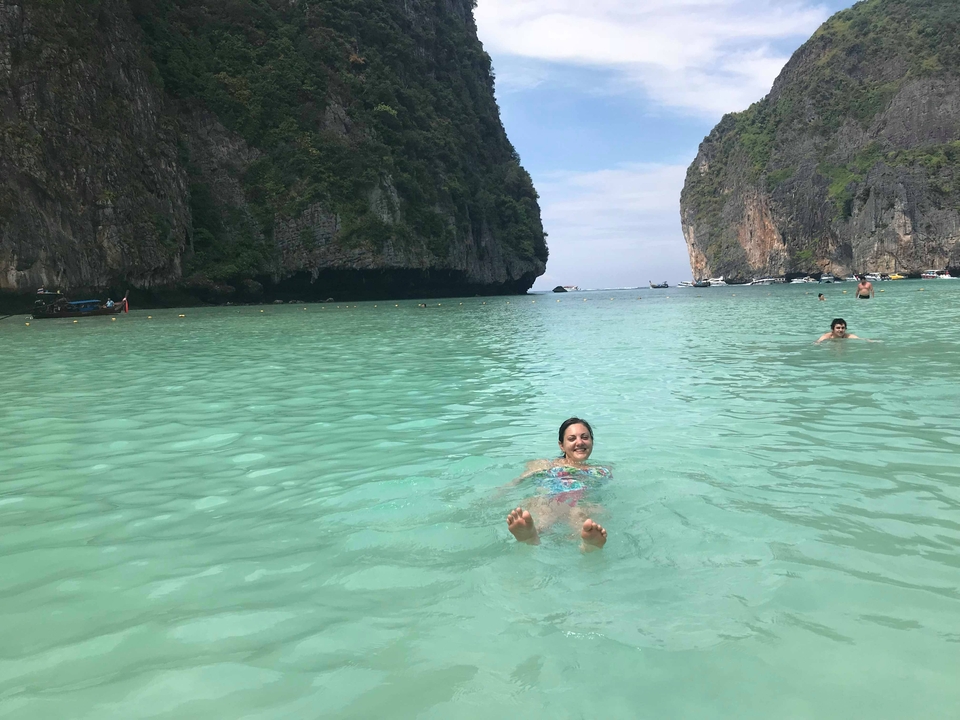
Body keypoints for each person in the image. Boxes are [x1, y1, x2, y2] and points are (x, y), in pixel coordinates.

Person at [504, 418, 609, 551]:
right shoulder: (544, 464)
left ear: (592, 441)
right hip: (550, 501)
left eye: (585, 437)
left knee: (583, 512)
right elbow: (516, 482)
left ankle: (587, 542)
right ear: (561, 445)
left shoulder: (602, 470)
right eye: (572, 439)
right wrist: (495, 496)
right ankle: (531, 534)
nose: (580, 442)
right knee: (544, 506)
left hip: (579, 505)